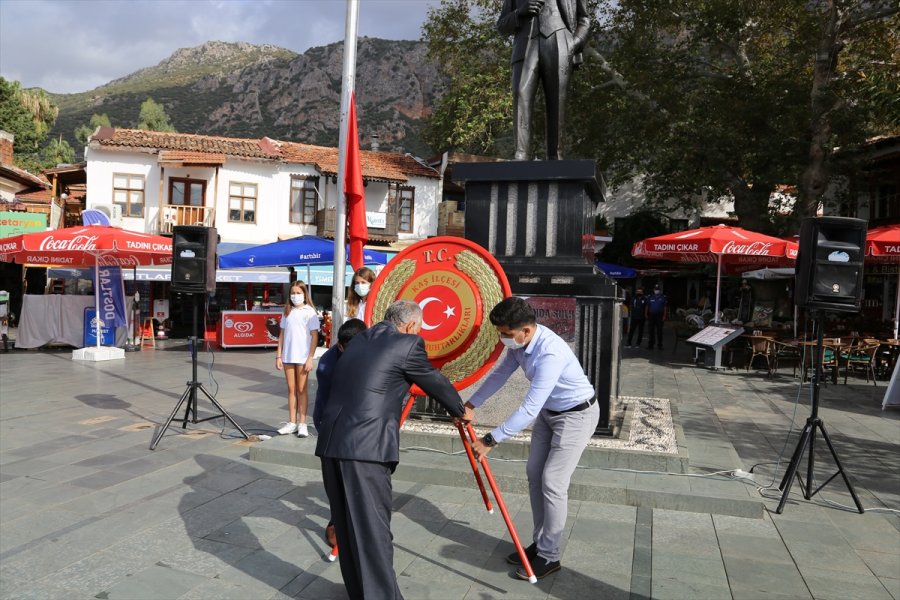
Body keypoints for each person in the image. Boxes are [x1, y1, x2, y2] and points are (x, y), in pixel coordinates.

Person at [315, 300, 467, 599]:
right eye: (418, 328)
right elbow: (433, 380)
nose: (418, 334)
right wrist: (460, 409)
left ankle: (361, 593)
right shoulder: (407, 344)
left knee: (347, 527)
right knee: (372, 531)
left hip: (332, 443)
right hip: (364, 448)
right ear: (410, 326)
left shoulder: (358, 341)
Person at [467, 297, 598, 580]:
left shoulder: (550, 353)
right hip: (550, 413)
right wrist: (471, 403)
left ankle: (550, 556)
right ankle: (541, 544)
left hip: (577, 415)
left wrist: (490, 440)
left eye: (506, 333)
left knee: (553, 481)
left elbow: (529, 408)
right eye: (500, 333)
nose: (502, 339)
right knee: (534, 473)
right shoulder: (520, 344)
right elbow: (500, 375)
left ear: (525, 330)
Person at [497, 0, 590, 160]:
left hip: (560, 42)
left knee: (557, 100)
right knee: (520, 93)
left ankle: (556, 155)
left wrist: (574, 42)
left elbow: (584, 19)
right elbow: (501, 26)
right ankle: (521, 154)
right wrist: (519, 12)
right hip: (525, 43)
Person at [312, 317, 367, 554]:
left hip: (360, 429)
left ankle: (356, 524)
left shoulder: (370, 353)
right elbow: (327, 405)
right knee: (336, 483)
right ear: (341, 346)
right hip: (332, 427)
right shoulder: (328, 365)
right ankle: (337, 522)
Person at [275, 281, 319, 437]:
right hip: (288, 356)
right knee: (291, 389)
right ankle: (292, 422)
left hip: (302, 356)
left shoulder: (310, 312)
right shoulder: (287, 311)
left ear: (304, 294)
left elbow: (314, 336)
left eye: (298, 293)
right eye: (292, 293)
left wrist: (310, 358)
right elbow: (282, 334)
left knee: (302, 389)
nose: (295, 296)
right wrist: (279, 355)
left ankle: (302, 423)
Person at [646, 284, 668, 350]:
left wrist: (664, 315)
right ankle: (651, 345)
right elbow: (647, 306)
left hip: (659, 315)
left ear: (659, 290)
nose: (656, 291)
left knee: (659, 331)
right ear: (653, 290)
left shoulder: (663, 297)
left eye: (657, 289)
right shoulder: (650, 297)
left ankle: (660, 345)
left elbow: (665, 307)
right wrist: (646, 314)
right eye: (655, 289)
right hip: (651, 315)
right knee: (651, 330)